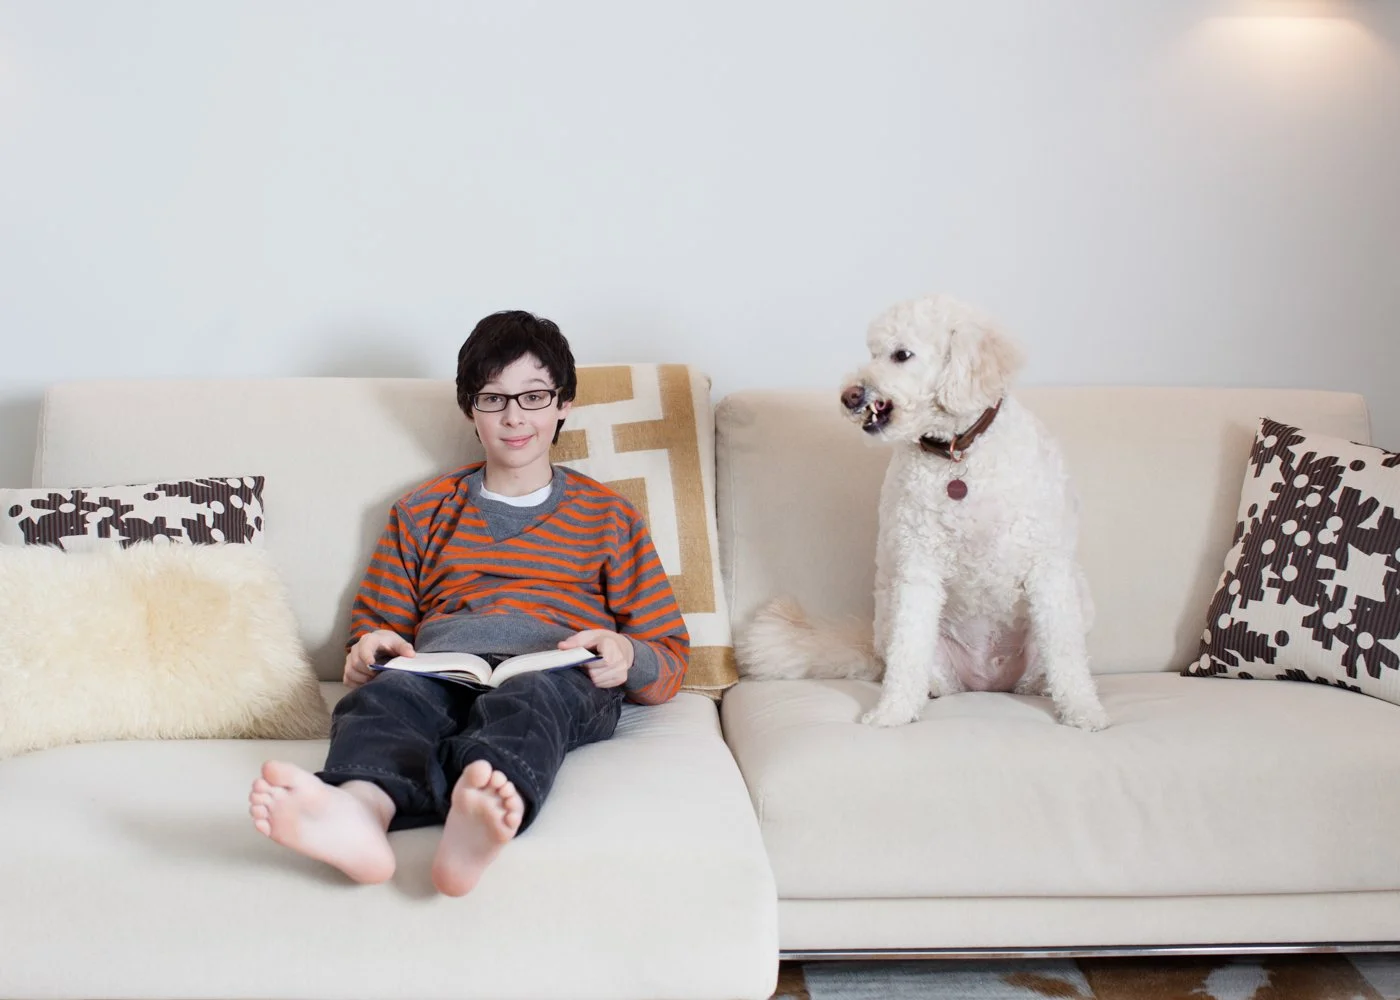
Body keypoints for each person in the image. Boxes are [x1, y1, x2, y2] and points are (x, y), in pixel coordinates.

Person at [248, 310, 689, 895]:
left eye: (534, 397)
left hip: (555, 671)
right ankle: (359, 810)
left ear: (563, 406)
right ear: (468, 410)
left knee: (531, 700)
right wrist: (369, 650)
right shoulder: (422, 511)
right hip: (441, 671)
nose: (514, 417)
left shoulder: (609, 517)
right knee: (388, 699)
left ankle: (476, 815)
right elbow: (378, 628)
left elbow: (669, 654)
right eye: (492, 398)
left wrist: (626, 656)